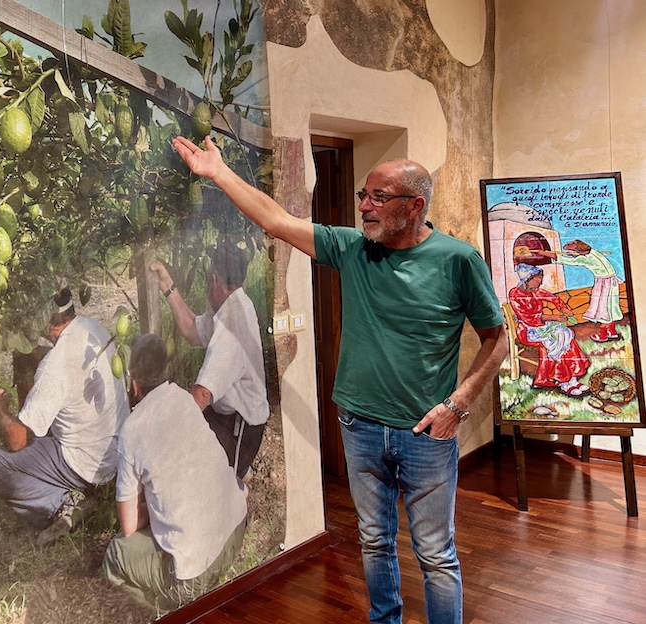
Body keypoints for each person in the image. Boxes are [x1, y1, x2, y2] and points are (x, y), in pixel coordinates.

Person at [172, 136, 508, 624]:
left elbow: (497, 340)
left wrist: (458, 405)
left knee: (435, 555)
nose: (365, 208)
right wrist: (219, 173)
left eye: (377, 198)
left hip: (428, 433)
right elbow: (275, 219)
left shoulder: (457, 261)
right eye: (362, 196)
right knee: (374, 542)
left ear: (414, 207)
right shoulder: (353, 249)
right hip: (360, 427)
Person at [101, 334, 247, 610]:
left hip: (196, 571)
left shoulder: (131, 431)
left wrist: (149, 508)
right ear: (166, 372)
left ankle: (165, 611)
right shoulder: (184, 399)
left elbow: (129, 526)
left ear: (133, 383)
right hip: (236, 528)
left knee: (115, 554)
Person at [0, 287, 130, 546]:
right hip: (118, 455)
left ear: (48, 323)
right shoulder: (95, 329)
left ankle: (64, 503)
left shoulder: (54, 367)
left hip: (86, 464)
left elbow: (17, 440)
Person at [150, 242, 268, 482]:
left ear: (214, 280)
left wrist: (167, 431)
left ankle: (232, 472)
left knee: (182, 463)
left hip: (240, 431)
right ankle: (232, 470)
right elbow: (192, 330)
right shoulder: (231, 304)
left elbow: (202, 394)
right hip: (227, 417)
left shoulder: (231, 324)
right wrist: (166, 285)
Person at [507, 263, 590, 396]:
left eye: (540, 277)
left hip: (541, 327)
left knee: (566, 336)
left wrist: (562, 308)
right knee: (556, 342)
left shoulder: (535, 291)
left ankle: (573, 379)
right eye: (536, 278)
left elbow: (552, 298)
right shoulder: (515, 294)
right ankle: (563, 382)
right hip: (528, 331)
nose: (540, 281)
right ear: (527, 279)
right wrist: (555, 317)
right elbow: (529, 318)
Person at [538, 239, 623, 342]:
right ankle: (612, 332)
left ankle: (603, 335)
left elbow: (568, 260)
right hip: (611, 283)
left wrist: (544, 253)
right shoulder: (593, 252)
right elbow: (580, 256)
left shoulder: (585, 259)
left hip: (603, 285)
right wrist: (573, 254)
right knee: (610, 308)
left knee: (603, 309)